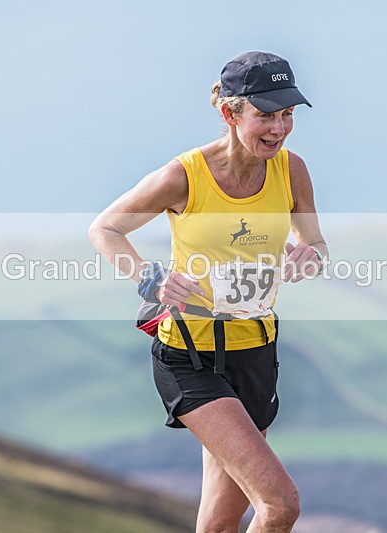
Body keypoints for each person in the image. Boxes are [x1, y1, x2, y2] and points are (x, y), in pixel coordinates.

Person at [89, 51, 327, 533]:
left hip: (257, 354)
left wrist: (311, 254)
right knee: (280, 506)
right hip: (190, 358)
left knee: (218, 524)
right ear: (229, 112)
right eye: (266, 114)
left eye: (288, 114)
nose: (279, 128)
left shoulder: (291, 170)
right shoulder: (184, 176)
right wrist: (150, 278)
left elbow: (314, 242)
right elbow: (106, 229)